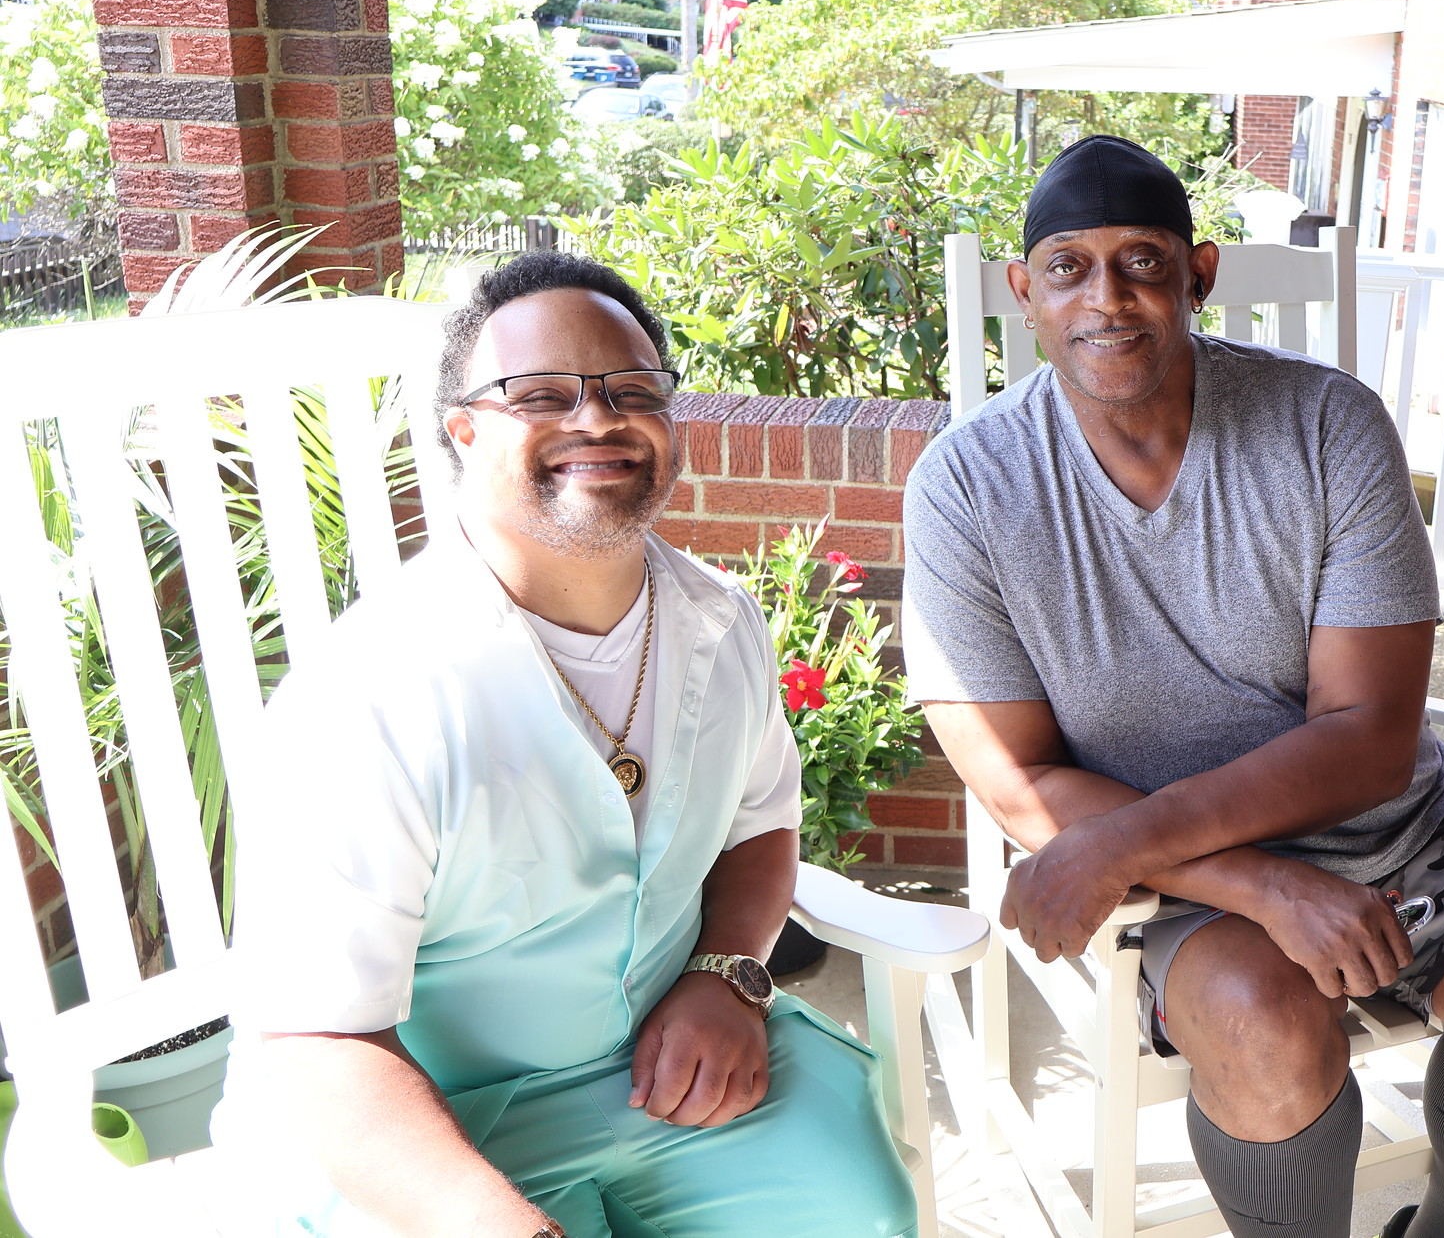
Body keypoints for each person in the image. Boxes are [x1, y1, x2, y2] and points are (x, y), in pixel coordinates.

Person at [903, 136, 1444, 1238]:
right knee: (1262, 1021)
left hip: (1396, 831)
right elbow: (1013, 774)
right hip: (1185, 878)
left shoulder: (1325, 424)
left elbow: (1368, 738)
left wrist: (1114, 846)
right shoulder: (966, 486)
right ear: (1022, 292)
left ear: (1198, 275)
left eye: (1142, 264)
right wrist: (1256, 884)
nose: (1104, 299)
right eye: (1067, 267)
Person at [210, 252, 916, 1238]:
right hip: (425, 1127)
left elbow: (761, 824)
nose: (596, 419)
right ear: (462, 429)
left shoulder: (721, 624)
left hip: (671, 1075)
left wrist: (727, 973)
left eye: (631, 390)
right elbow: (316, 1038)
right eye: (538, 394)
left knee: (856, 1213)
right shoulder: (371, 695)